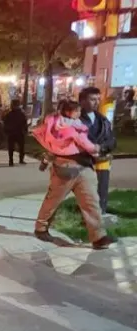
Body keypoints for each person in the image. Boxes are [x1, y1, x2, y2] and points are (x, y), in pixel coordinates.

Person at [31, 99, 116, 250]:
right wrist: (100, 150)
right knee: (55, 200)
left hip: (81, 168)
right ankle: (41, 228)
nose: (79, 113)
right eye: (77, 110)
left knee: (90, 201)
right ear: (69, 112)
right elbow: (88, 146)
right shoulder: (71, 127)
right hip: (68, 167)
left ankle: (98, 237)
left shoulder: (55, 125)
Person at [78, 86, 118, 224]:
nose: (96, 102)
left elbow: (112, 140)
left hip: (102, 161)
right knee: (87, 192)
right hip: (84, 163)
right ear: (82, 101)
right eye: (92, 99)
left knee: (102, 189)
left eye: (97, 99)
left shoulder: (103, 120)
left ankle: (100, 214)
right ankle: (88, 219)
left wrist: (101, 148)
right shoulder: (76, 119)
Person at [4, 99, 28, 166]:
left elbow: (5, 123)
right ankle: (21, 160)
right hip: (19, 132)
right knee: (21, 147)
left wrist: (6, 131)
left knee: (11, 147)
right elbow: (24, 123)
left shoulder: (9, 114)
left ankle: (11, 161)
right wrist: (25, 131)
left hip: (11, 133)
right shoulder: (21, 114)